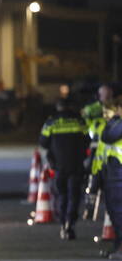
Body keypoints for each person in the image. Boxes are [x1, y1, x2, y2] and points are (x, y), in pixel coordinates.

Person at [39, 99, 89, 239]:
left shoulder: (51, 122)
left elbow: (43, 142)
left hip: (59, 166)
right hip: (76, 165)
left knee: (61, 195)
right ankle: (70, 224)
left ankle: (62, 224)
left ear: (57, 107)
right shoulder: (79, 121)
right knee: (74, 196)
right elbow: (87, 140)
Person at [98, 99, 122, 258]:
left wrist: (113, 120)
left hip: (119, 175)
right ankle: (118, 246)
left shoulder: (118, 124)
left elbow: (108, 136)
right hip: (114, 174)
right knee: (115, 213)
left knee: (119, 213)